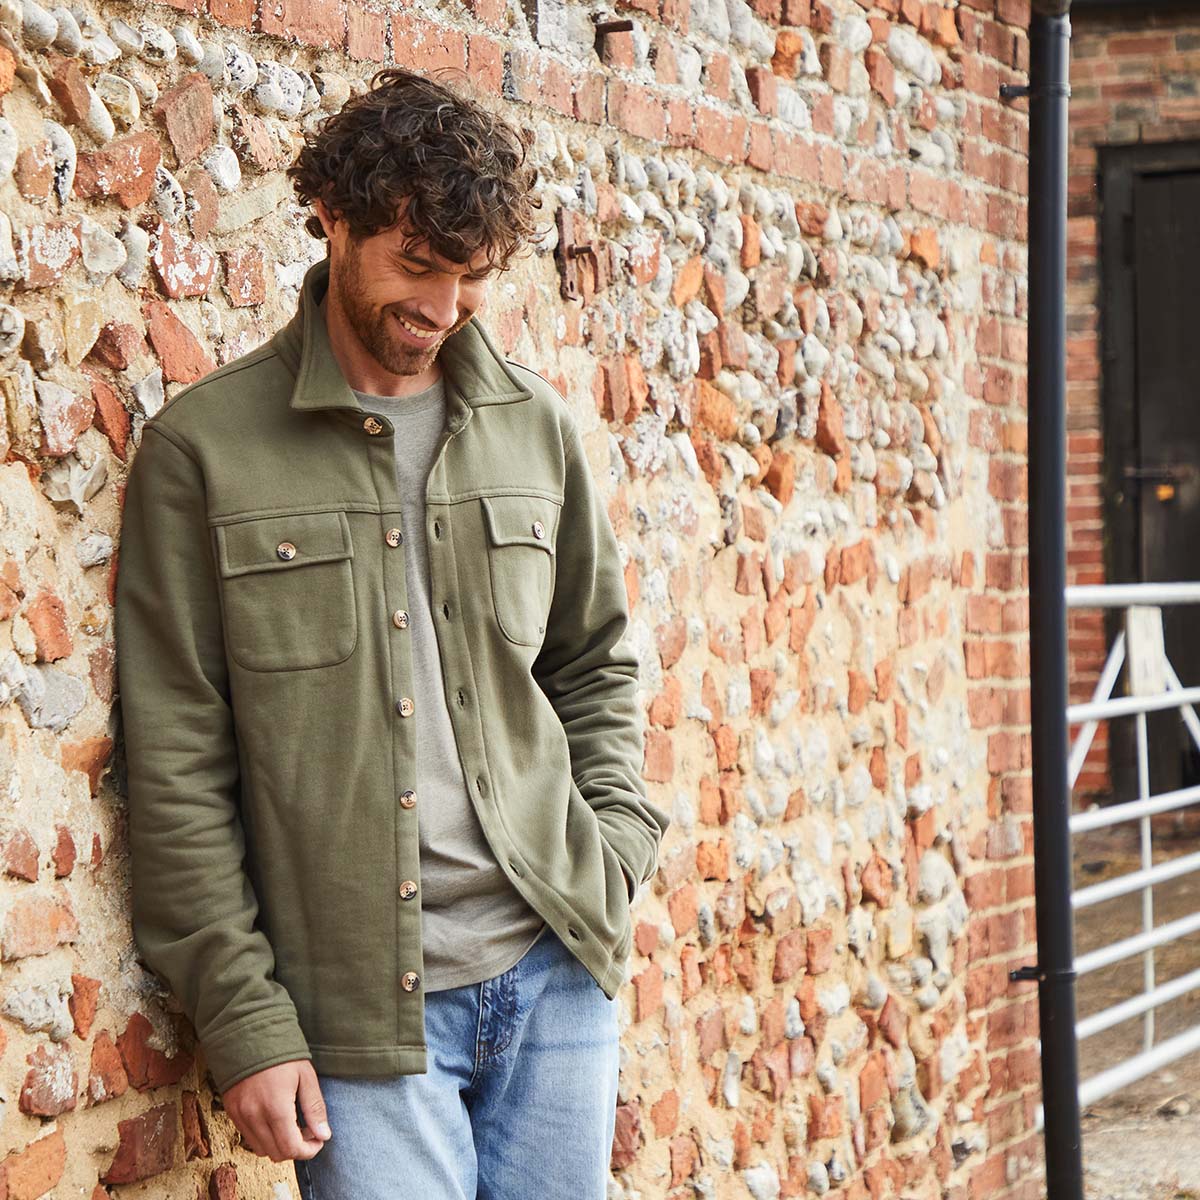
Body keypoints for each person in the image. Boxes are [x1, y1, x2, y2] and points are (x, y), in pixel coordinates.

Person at [113, 65, 670, 1199]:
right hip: (359, 1018)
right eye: (418, 266)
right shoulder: (204, 451)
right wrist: (244, 1018)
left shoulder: (535, 429)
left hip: (556, 971)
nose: (445, 307)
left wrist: (611, 854)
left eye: (470, 278)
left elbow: (595, 664)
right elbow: (173, 764)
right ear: (330, 218)